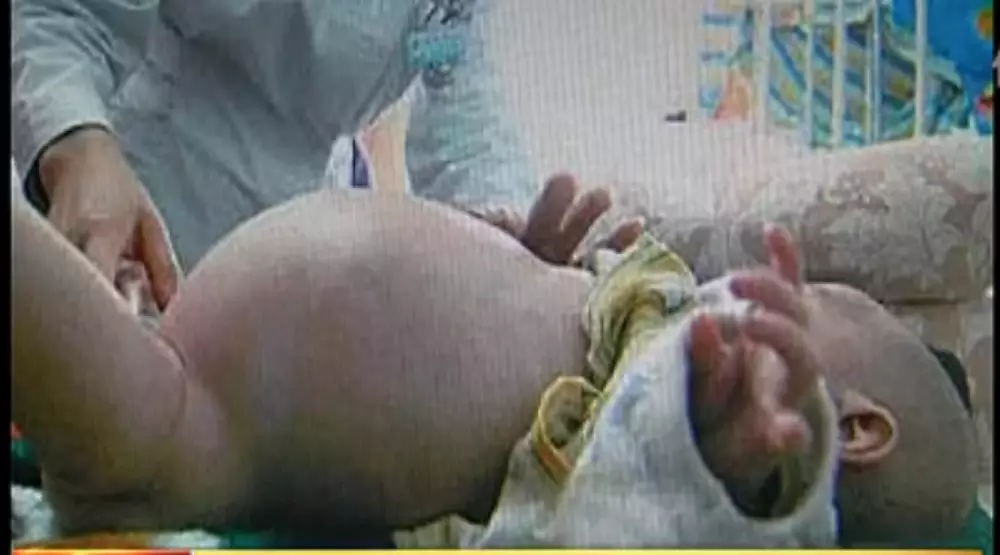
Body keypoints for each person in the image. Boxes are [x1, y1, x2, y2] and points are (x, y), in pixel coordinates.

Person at [12, 186, 978, 547]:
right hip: (212, 338)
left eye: (835, 306)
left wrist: (728, 464)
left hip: (201, 434)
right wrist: (533, 265)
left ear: (855, 430)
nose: (829, 293)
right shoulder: (659, 323)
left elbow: (634, 510)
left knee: (123, 423)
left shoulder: (698, 466)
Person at [12, 0, 641, 312]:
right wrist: (76, 141)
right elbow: (62, 11)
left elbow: (450, 66)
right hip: (143, 189)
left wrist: (508, 248)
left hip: (298, 238)